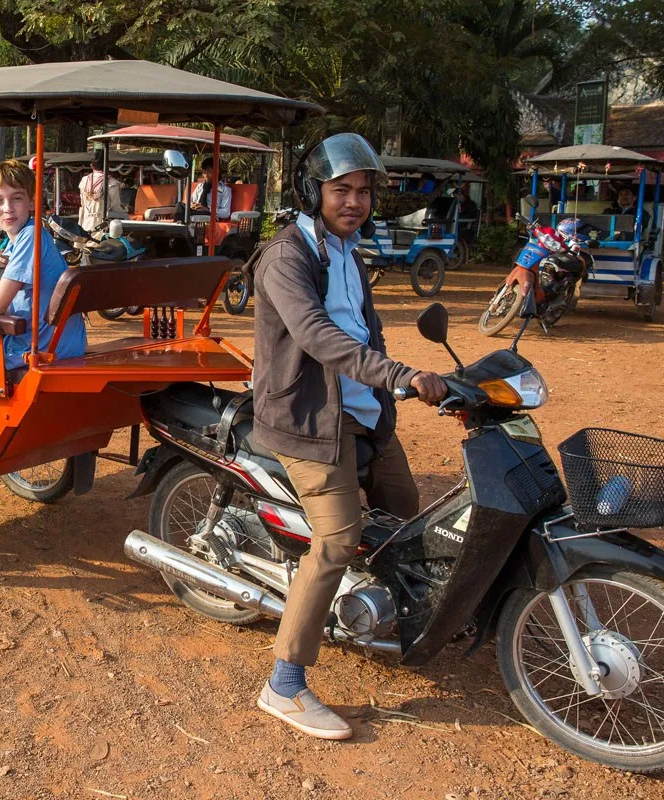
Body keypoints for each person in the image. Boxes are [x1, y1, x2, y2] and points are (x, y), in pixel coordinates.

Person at [245, 132, 447, 741]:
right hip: (308, 419)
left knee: (408, 514)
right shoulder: (287, 256)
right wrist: (401, 375)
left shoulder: (349, 251)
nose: (354, 201)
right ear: (314, 192)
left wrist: (397, 389)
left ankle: (383, 614)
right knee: (338, 540)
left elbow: (366, 330)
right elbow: (317, 336)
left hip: (363, 413)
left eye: (363, 191)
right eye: (342, 190)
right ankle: (284, 683)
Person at [0, 160, 86, 371]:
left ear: (32, 202)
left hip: (38, 350)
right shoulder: (19, 240)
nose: (8, 209)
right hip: (66, 345)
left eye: (16, 198)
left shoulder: (31, 235)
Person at [78, 151, 123, 233]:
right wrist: (126, 211)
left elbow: (82, 204)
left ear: (91, 165)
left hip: (86, 225)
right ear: (108, 165)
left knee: (86, 244)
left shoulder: (84, 181)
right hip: (102, 227)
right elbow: (116, 208)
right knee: (101, 244)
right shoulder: (112, 183)